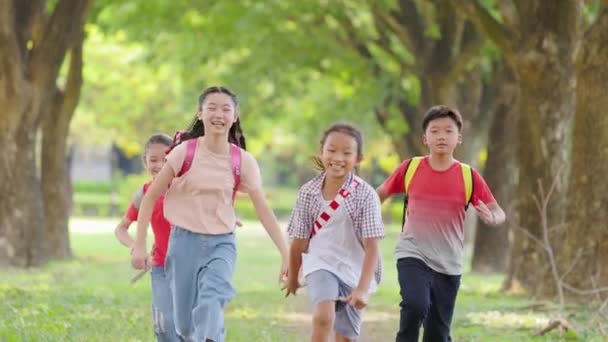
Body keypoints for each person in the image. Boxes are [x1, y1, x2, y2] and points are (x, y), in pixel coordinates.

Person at [131, 86, 289, 342]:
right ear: (201, 114)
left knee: (212, 300)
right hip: (183, 243)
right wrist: (139, 245)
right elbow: (150, 198)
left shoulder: (243, 161)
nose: (219, 114)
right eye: (212, 108)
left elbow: (264, 211)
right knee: (185, 325)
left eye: (226, 109)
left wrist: (286, 254)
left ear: (235, 115)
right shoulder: (184, 152)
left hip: (221, 243)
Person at [376, 105, 506, 342]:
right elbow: (380, 194)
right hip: (412, 252)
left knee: (437, 334)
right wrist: (360, 213)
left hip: (449, 262)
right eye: (434, 131)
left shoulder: (469, 175)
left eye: (448, 131)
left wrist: (492, 217)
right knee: (415, 305)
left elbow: (498, 211)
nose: (441, 136)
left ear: (459, 138)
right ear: (425, 138)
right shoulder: (410, 168)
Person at [285, 122, 385, 342]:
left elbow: (372, 247)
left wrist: (361, 289)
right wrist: (293, 275)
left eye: (347, 153)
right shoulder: (308, 193)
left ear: (358, 159)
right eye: (331, 150)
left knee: (346, 337)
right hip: (321, 263)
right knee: (323, 317)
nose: (337, 158)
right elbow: (299, 242)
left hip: (355, 269)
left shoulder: (366, 195)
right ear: (321, 153)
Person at [114, 133, 177, 341]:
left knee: (189, 324)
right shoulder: (144, 194)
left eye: (166, 160)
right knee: (163, 326)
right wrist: (136, 247)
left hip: (190, 266)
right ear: (144, 162)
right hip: (160, 268)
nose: (160, 165)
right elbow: (121, 229)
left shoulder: (185, 190)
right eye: (153, 160)